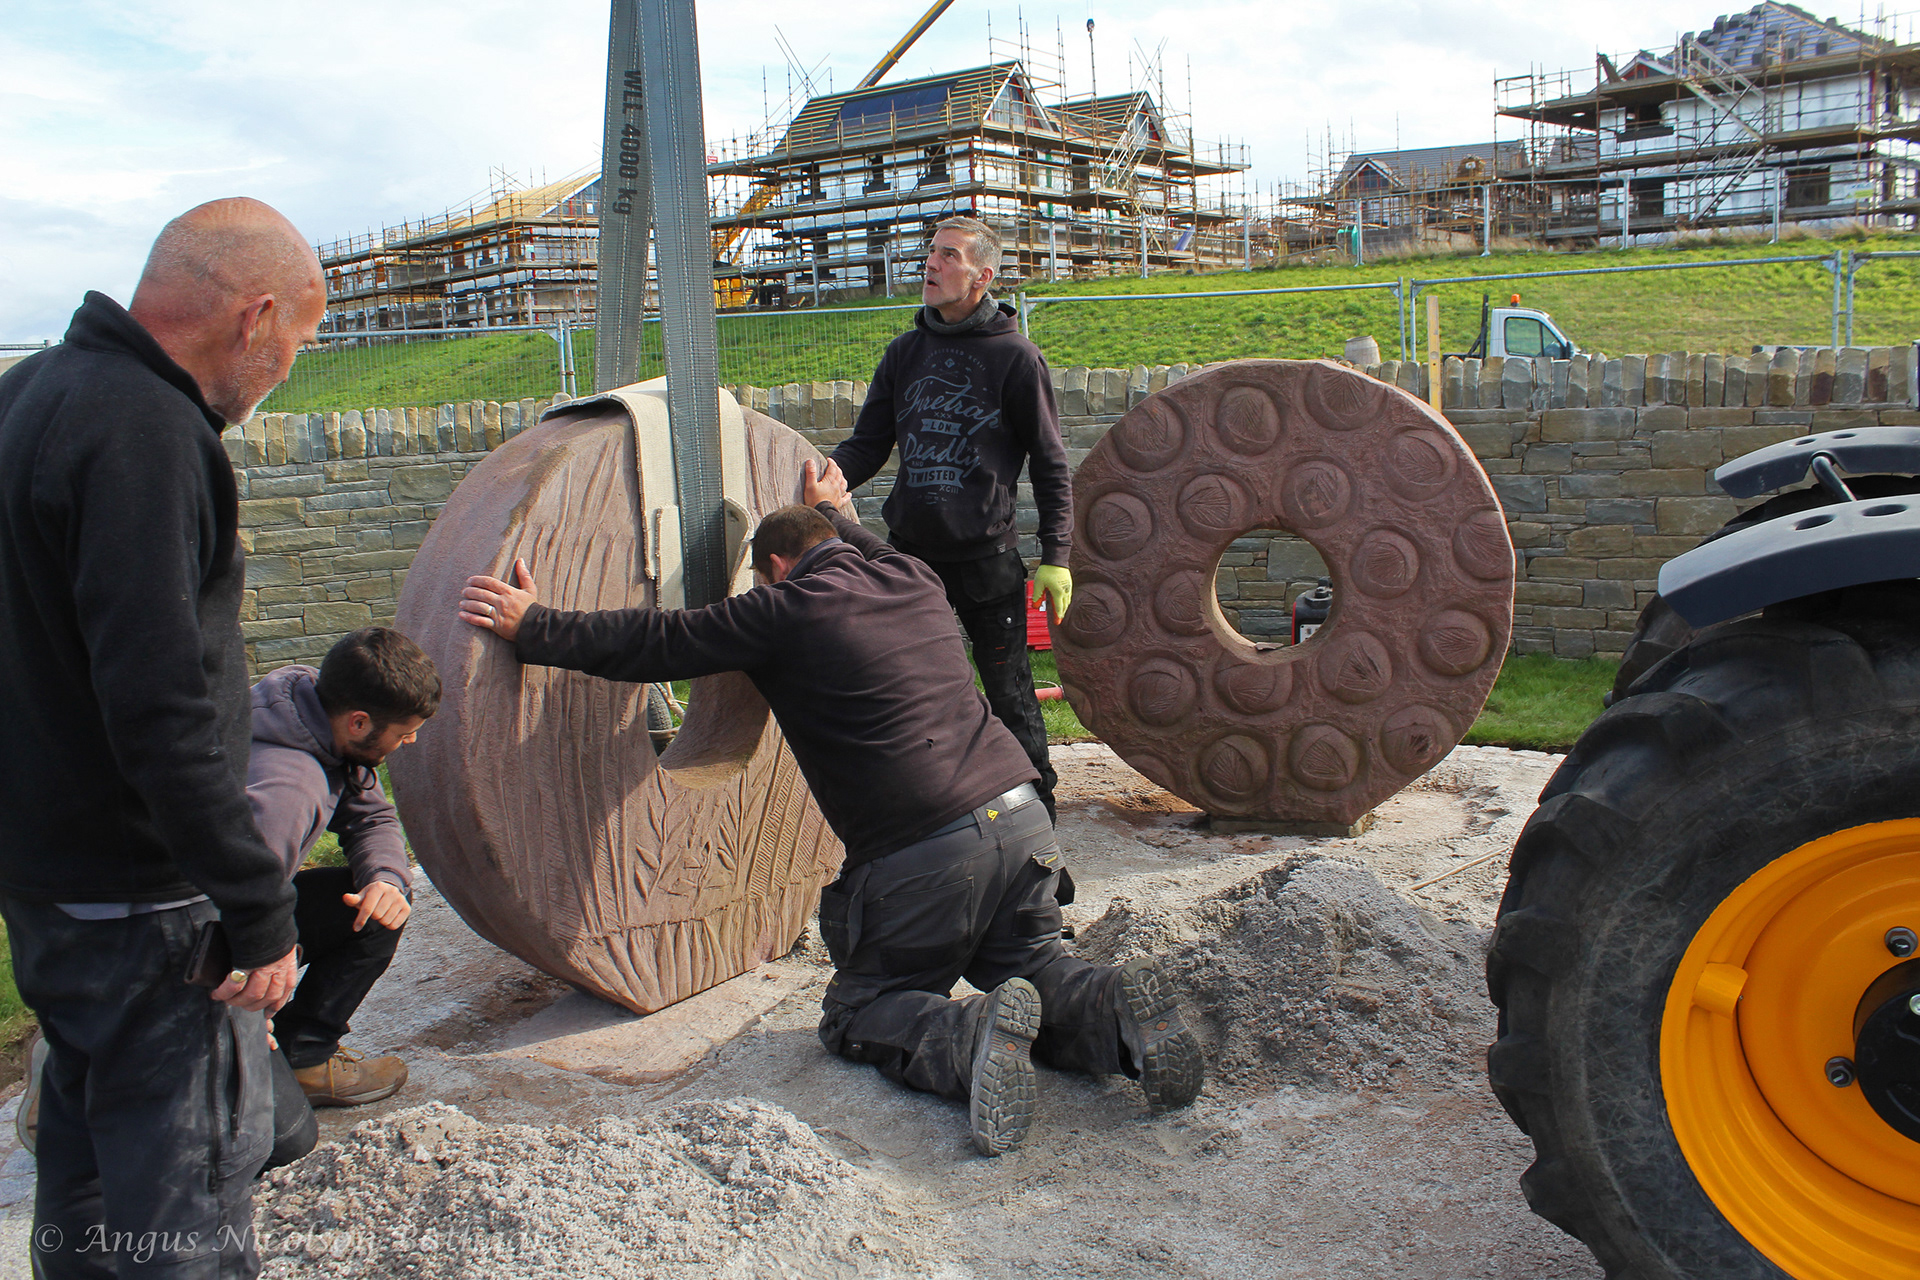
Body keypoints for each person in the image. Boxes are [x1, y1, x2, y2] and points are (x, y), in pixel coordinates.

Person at [457, 476, 1201, 1157]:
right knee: (1032, 964)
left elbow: (657, 642)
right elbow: (865, 543)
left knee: (861, 1007)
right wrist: (834, 510)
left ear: (776, 567)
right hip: (1025, 820)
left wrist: (536, 625)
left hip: (926, 853)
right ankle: (1115, 1009)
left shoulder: (780, 610)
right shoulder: (914, 578)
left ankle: (967, 1036)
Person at [0, 197, 325, 1276]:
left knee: (89, 1162)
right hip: (150, 906)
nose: (285, 373)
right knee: (185, 1200)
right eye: (296, 344)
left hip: (51, 886)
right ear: (255, 316)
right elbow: (159, 702)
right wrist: (256, 906)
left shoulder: (27, 395)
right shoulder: (147, 432)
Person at [825, 214, 1072, 822]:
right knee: (911, 692)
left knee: (1010, 694)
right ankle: (932, 811)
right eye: (932, 251)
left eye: (949, 255)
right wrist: (827, 476)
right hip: (910, 556)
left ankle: (1037, 817)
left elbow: (1050, 462)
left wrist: (1057, 556)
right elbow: (867, 445)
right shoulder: (905, 353)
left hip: (987, 560)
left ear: (982, 277)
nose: (931, 263)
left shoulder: (1016, 358)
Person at [247, 627, 439, 1108]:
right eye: (403, 733)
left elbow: (372, 816)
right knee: (277, 1135)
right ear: (359, 722)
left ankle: (301, 1054)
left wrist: (385, 878)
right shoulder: (287, 793)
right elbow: (231, 907)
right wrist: (253, 986)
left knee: (380, 905)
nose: (411, 741)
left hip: (239, 902)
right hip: (197, 937)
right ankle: (278, 1059)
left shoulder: (309, 710)